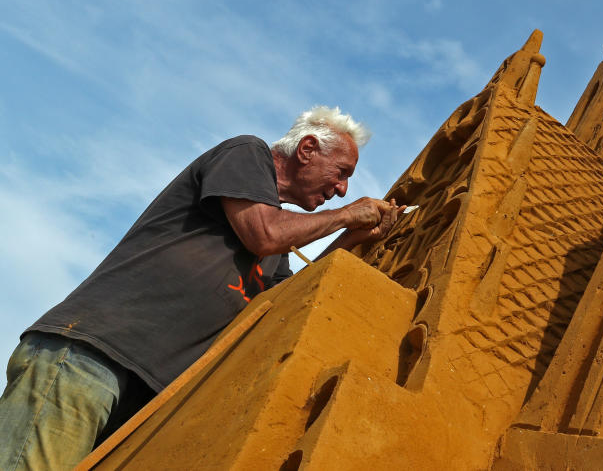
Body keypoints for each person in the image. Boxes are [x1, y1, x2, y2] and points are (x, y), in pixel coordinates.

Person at [0, 106, 399, 470]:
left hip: (148, 396)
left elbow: (290, 302)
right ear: (308, 148)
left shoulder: (278, 249)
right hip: (95, 356)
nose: (343, 189)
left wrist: (351, 240)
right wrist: (346, 215)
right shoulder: (247, 154)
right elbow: (263, 234)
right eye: (342, 172)